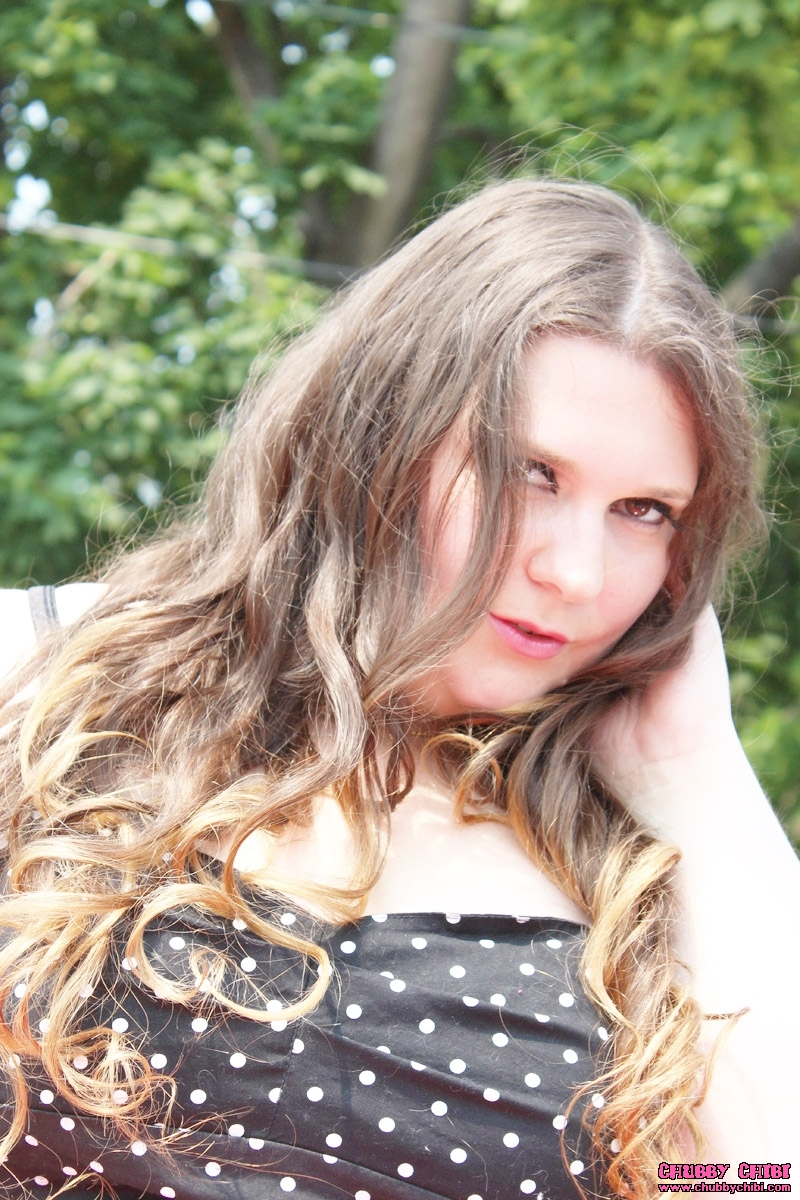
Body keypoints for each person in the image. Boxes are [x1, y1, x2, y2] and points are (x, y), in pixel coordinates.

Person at [0, 178, 797, 1200]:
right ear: (381, 432)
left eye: (644, 511)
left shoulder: (642, 871)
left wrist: (695, 773)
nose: (576, 572)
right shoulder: (43, 673)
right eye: (529, 473)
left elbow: (756, 1180)